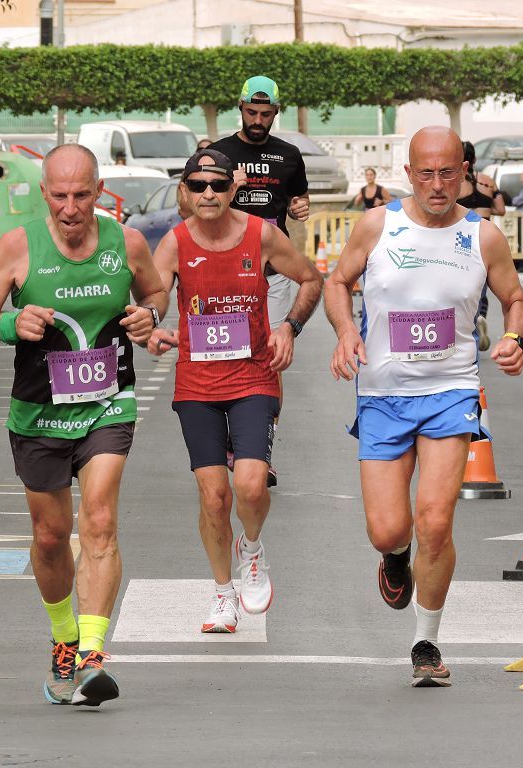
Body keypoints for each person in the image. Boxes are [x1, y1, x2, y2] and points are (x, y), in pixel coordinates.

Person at [324, 126, 523, 687]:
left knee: (436, 522)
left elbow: (515, 299)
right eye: (426, 173)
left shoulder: (482, 235)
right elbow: (338, 283)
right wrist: (345, 332)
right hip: (384, 394)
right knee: (389, 529)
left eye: (448, 173)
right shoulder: (378, 225)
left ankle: (426, 640)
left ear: (463, 172)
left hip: (451, 392)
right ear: (408, 173)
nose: (438, 185)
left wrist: (515, 338)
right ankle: (395, 558)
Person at [0, 144, 166, 707]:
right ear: (44, 194)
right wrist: (9, 321)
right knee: (52, 536)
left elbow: (154, 291)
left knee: (99, 517)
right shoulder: (16, 247)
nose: (71, 208)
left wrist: (152, 315)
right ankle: (64, 640)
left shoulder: (124, 243)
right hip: (38, 412)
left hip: (108, 402)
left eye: (82, 195)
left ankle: (94, 654)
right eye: (60, 196)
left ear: (99, 192)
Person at [147, 149, 321, 633]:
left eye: (217, 186)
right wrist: (153, 324)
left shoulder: (261, 234)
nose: (208, 194)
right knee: (214, 497)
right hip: (197, 384)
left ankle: (253, 546)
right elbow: (157, 296)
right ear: (185, 190)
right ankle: (223, 593)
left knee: (249, 484)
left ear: (232, 189)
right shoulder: (175, 243)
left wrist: (289, 328)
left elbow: (311, 278)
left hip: (252, 377)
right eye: (198, 185)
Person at [209, 75, 309, 487]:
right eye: (252, 112)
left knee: (269, 356)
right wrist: (227, 190)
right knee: (225, 355)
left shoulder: (289, 155)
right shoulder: (219, 153)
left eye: (265, 114)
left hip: (272, 273)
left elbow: (298, 200)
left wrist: (301, 207)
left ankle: (259, 450)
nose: (257, 120)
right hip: (225, 272)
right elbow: (193, 205)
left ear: (276, 114)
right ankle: (226, 445)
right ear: (240, 107)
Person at [458, 141, 506, 352]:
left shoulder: (457, 184)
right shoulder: (488, 182)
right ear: (475, 159)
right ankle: (482, 315)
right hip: (487, 235)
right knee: (483, 282)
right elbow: (501, 209)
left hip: (465, 236)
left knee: (464, 283)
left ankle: (470, 322)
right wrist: (484, 208)